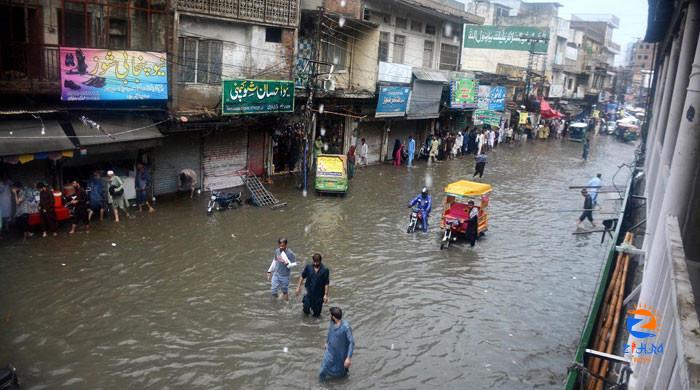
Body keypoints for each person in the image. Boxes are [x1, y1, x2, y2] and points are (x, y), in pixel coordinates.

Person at [319, 306, 355, 382]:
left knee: (341, 373)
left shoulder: (346, 327)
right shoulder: (332, 323)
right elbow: (330, 332)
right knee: (323, 369)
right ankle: (321, 384)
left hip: (341, 353)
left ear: (333, 317)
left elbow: (351, 342)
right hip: (330, 352)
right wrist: (327, 342)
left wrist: (348, 358)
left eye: (331, 315)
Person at [295, 253, 330, 318]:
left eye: (317, 262)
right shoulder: (308, 267)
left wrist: (325, 295)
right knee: (306, 309)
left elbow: (326, 283)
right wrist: (298, 287)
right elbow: (302, 276)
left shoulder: (325, 270)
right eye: (314, 262)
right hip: (309, 292)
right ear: (312, 261)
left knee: (317, 314)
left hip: (319, 295)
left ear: (320, 261)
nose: (316, 264)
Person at [266, 237, 297, 302]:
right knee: (273, 291)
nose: (281, 247)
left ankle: (287, 303)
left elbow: (295, 263)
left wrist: (288, 264)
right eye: (280, 245)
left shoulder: (290, 253)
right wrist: (269, 271)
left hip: (285, 276)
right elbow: (274, 261)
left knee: (285, 291)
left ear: (286, 245)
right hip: (276, 274)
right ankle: (277, 300)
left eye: (283, 246)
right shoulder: (277, 251)